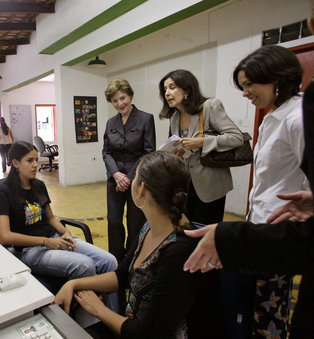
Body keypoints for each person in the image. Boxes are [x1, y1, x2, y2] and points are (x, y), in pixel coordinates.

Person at [185, 45, 307, 338]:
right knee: (254, 302)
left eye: (250, 84)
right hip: (261, 223)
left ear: (276, 78)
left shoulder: (298, 119)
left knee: (270, 308)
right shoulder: (273, 115)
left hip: (280, 229)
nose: (245, 93)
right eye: (242, 86)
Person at [54, 151, 222, 338]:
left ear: (141, 189)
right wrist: (74, 284)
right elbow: (122, 275)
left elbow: (150, 333)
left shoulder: (179, 251)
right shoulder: (151, 226)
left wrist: (99, 310)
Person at [0, 141, 118, 310]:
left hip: (54, 239)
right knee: (85, 265)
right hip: (32, 250)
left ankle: (111, 318)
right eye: (30, 161)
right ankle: (85, 319)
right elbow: (4, 236)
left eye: (36, 159)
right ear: (15, 163)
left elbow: (51, 218)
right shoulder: (4, 192)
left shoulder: (38, 185)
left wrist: (65, 233)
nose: (36, 165)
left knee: (110, 261)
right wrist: (45, 242)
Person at [158, 69, 244, 225]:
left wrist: (203, 142)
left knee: (206, 231)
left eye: (172, 87)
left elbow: (236, 138)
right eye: (165, 90)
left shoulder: (210, 106)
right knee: (188, 228)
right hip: (185, 186)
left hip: (209, 185)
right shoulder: (175, 117)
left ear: (187, 89)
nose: (167, 93)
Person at [102, 78, 156, 262]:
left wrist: (129, 178)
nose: (119, 104)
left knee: (135, 223)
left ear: (130, 95)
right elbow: (106, 152)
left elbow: (148, 153)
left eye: (122, 98)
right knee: (113, 220)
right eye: (114, 101)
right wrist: (116, 175)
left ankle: (133, 258)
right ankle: (116, 259)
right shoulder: (110, 123)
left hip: (137, 180)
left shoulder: (146, 119)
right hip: (115, 179)